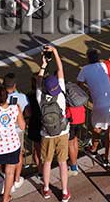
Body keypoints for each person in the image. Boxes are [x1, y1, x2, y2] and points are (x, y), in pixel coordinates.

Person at [36, 44, 71, 201]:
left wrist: (43, 65)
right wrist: (55, 52)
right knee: (63, 163)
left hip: (46, 134)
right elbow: (61, 69)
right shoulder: (61, 95)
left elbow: (38, 80)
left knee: (47, 162)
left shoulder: (40, 97)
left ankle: (46, 189)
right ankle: (64, 192)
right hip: (62, 132)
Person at [77, 48, 110, 166]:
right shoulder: (103, 65)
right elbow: (108, 61)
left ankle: (94, 148)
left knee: (96, 128)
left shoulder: (85, 70)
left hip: (100, 103)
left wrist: (88, 90)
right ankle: (106, 158)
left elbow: (79, 84)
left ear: (88, 58)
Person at [0, 86, 26, 202]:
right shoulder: (15, 108)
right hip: (13, 145)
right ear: (7, 97)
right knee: (9, 173)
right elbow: (22, 126)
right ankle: (5, 197)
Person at [1, 74, 29, 193]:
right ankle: (16, 179)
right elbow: (28, 112)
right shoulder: (22, 97)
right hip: (17, 131)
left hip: (3, 132)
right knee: (18, 156)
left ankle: (8, 179)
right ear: (15, 85)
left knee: (6, 157)